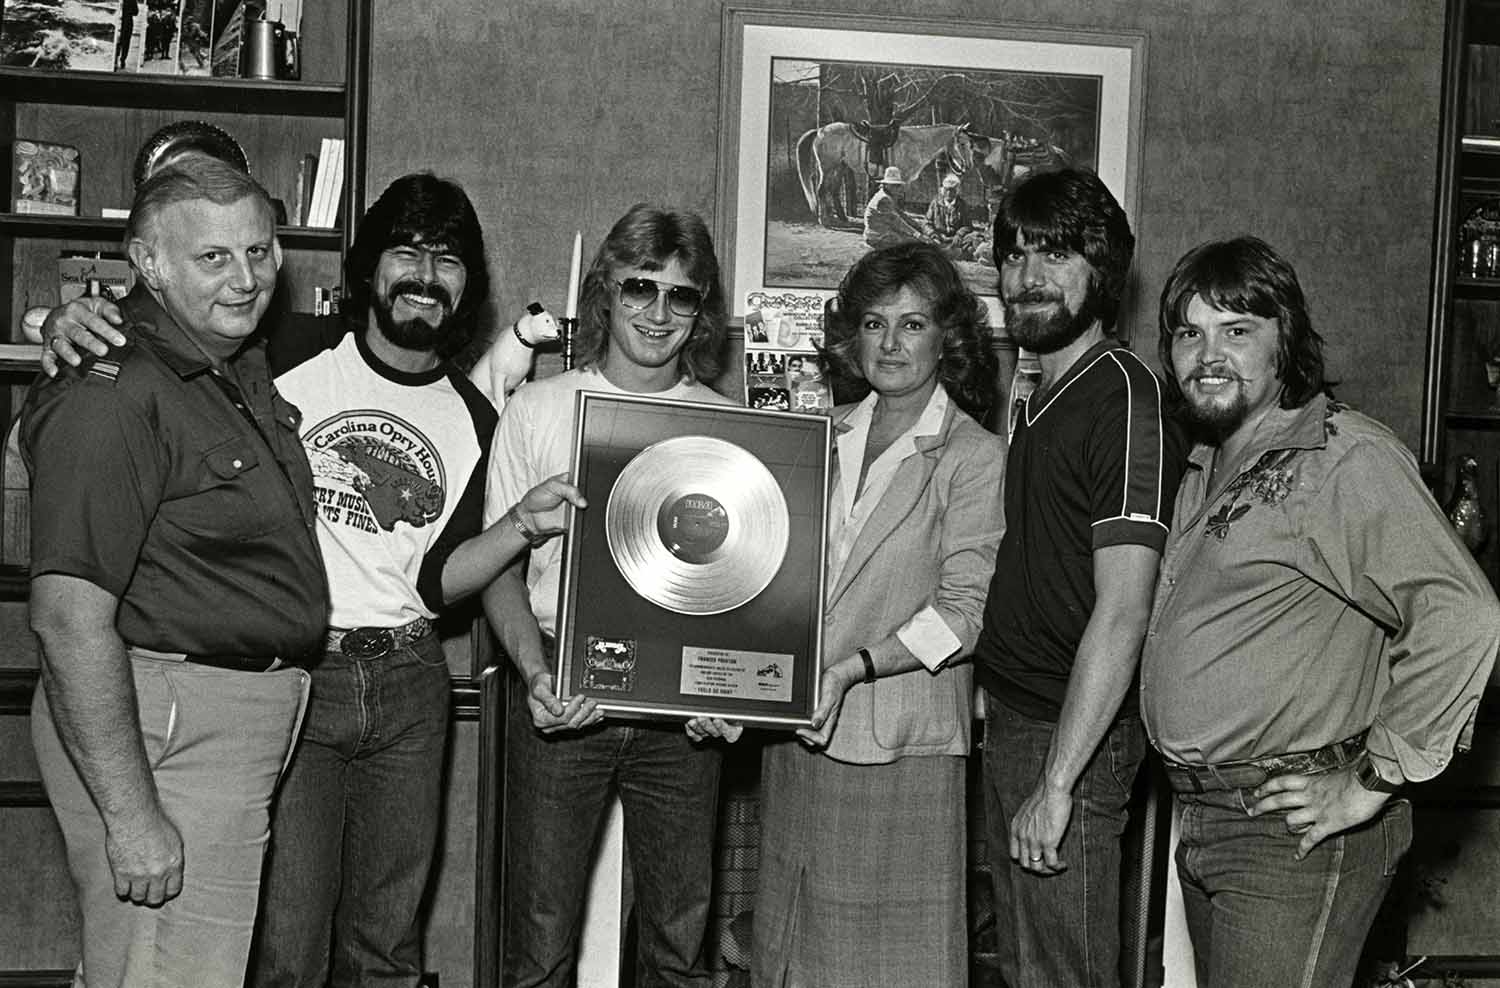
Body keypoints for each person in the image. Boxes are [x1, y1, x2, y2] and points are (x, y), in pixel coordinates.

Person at [39, 172, 585, 988]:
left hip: (407, 681)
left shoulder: (478, 418)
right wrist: (77, 317)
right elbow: (169, 331)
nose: (425, 278)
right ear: (367, 268)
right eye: (406, 253)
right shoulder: (275, 348)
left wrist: (520, 525)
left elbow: (438, 585)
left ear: (470, 283)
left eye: (448, 262)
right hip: (296, 677)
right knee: (280, 942)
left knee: (387, 942)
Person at [1142, 236, 1500, 986]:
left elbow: (1462, 614)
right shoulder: (1209, 463)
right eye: (1189, 333)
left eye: (1237, 332)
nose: (1208, 354)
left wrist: (1369, 782)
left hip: (1289, 831)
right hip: (1210, 819)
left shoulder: (1340, 457)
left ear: (1285, 346)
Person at [23, 156, 326, 988]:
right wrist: (132, 819)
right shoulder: (115, 389)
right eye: (213, 258)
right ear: (148, 263)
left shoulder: (226, 357)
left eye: (260, 252)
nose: (247, 278)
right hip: (165, 725)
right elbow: (66, 618)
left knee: (150, 970)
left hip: (212, 727)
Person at [482, 203, 739, 988]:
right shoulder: (537, 409)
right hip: (563, 686)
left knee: (678, 940)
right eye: (639, 288)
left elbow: (744, 592)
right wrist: (534, 674)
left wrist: (731, 688)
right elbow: (497, 569)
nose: (658, 314)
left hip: (680, 708)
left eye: (681, 295)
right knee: (540, 939)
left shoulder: (733, 428)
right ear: (605, 293)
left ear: (702, 313)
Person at [752, 241, 1005, 987]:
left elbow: (963, 616)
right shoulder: (814, 436)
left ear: (947, 337)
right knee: (792, 961)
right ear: (850, 335)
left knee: (893, 969)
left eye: (913, 323)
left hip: (900, 746)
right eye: (873, 322)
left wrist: (857, 667)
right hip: (796, 740)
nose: (891, 343)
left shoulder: (974, 456)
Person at [972, 168, 1187, 988]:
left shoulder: (1125, 398)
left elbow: (1126, 610)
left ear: (1103, 272)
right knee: (1029, 969)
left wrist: (1059, 780)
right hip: (1021, 719)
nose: (1029, 275)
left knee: (1065, 974)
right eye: (1015, 254)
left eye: (1056, 254)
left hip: (1078, 736)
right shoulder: (1038, 395)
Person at [862, 166, 926, 248]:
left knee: (913, 236)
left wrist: (919, 225)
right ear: (885, 185)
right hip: (877, 237)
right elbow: (897, 222)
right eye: (893, 185)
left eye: (897, 185)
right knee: (915, 243)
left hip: (883, 232)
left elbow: (900, 214)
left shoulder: (887, 195)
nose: (897, 188)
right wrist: (918, 235)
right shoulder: (883, 198)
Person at [922, 173, 976, 255]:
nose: (949, 193)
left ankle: (953, 252)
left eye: (952, 190)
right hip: (939, 238)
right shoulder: (935, 204)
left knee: (971, 239)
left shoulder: (963, 205)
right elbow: (926, 223)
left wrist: (959, 235)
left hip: (955, 240)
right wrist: (933, 235)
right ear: (942, 190)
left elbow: (968, 226)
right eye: (946, 189)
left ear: (957, 191)